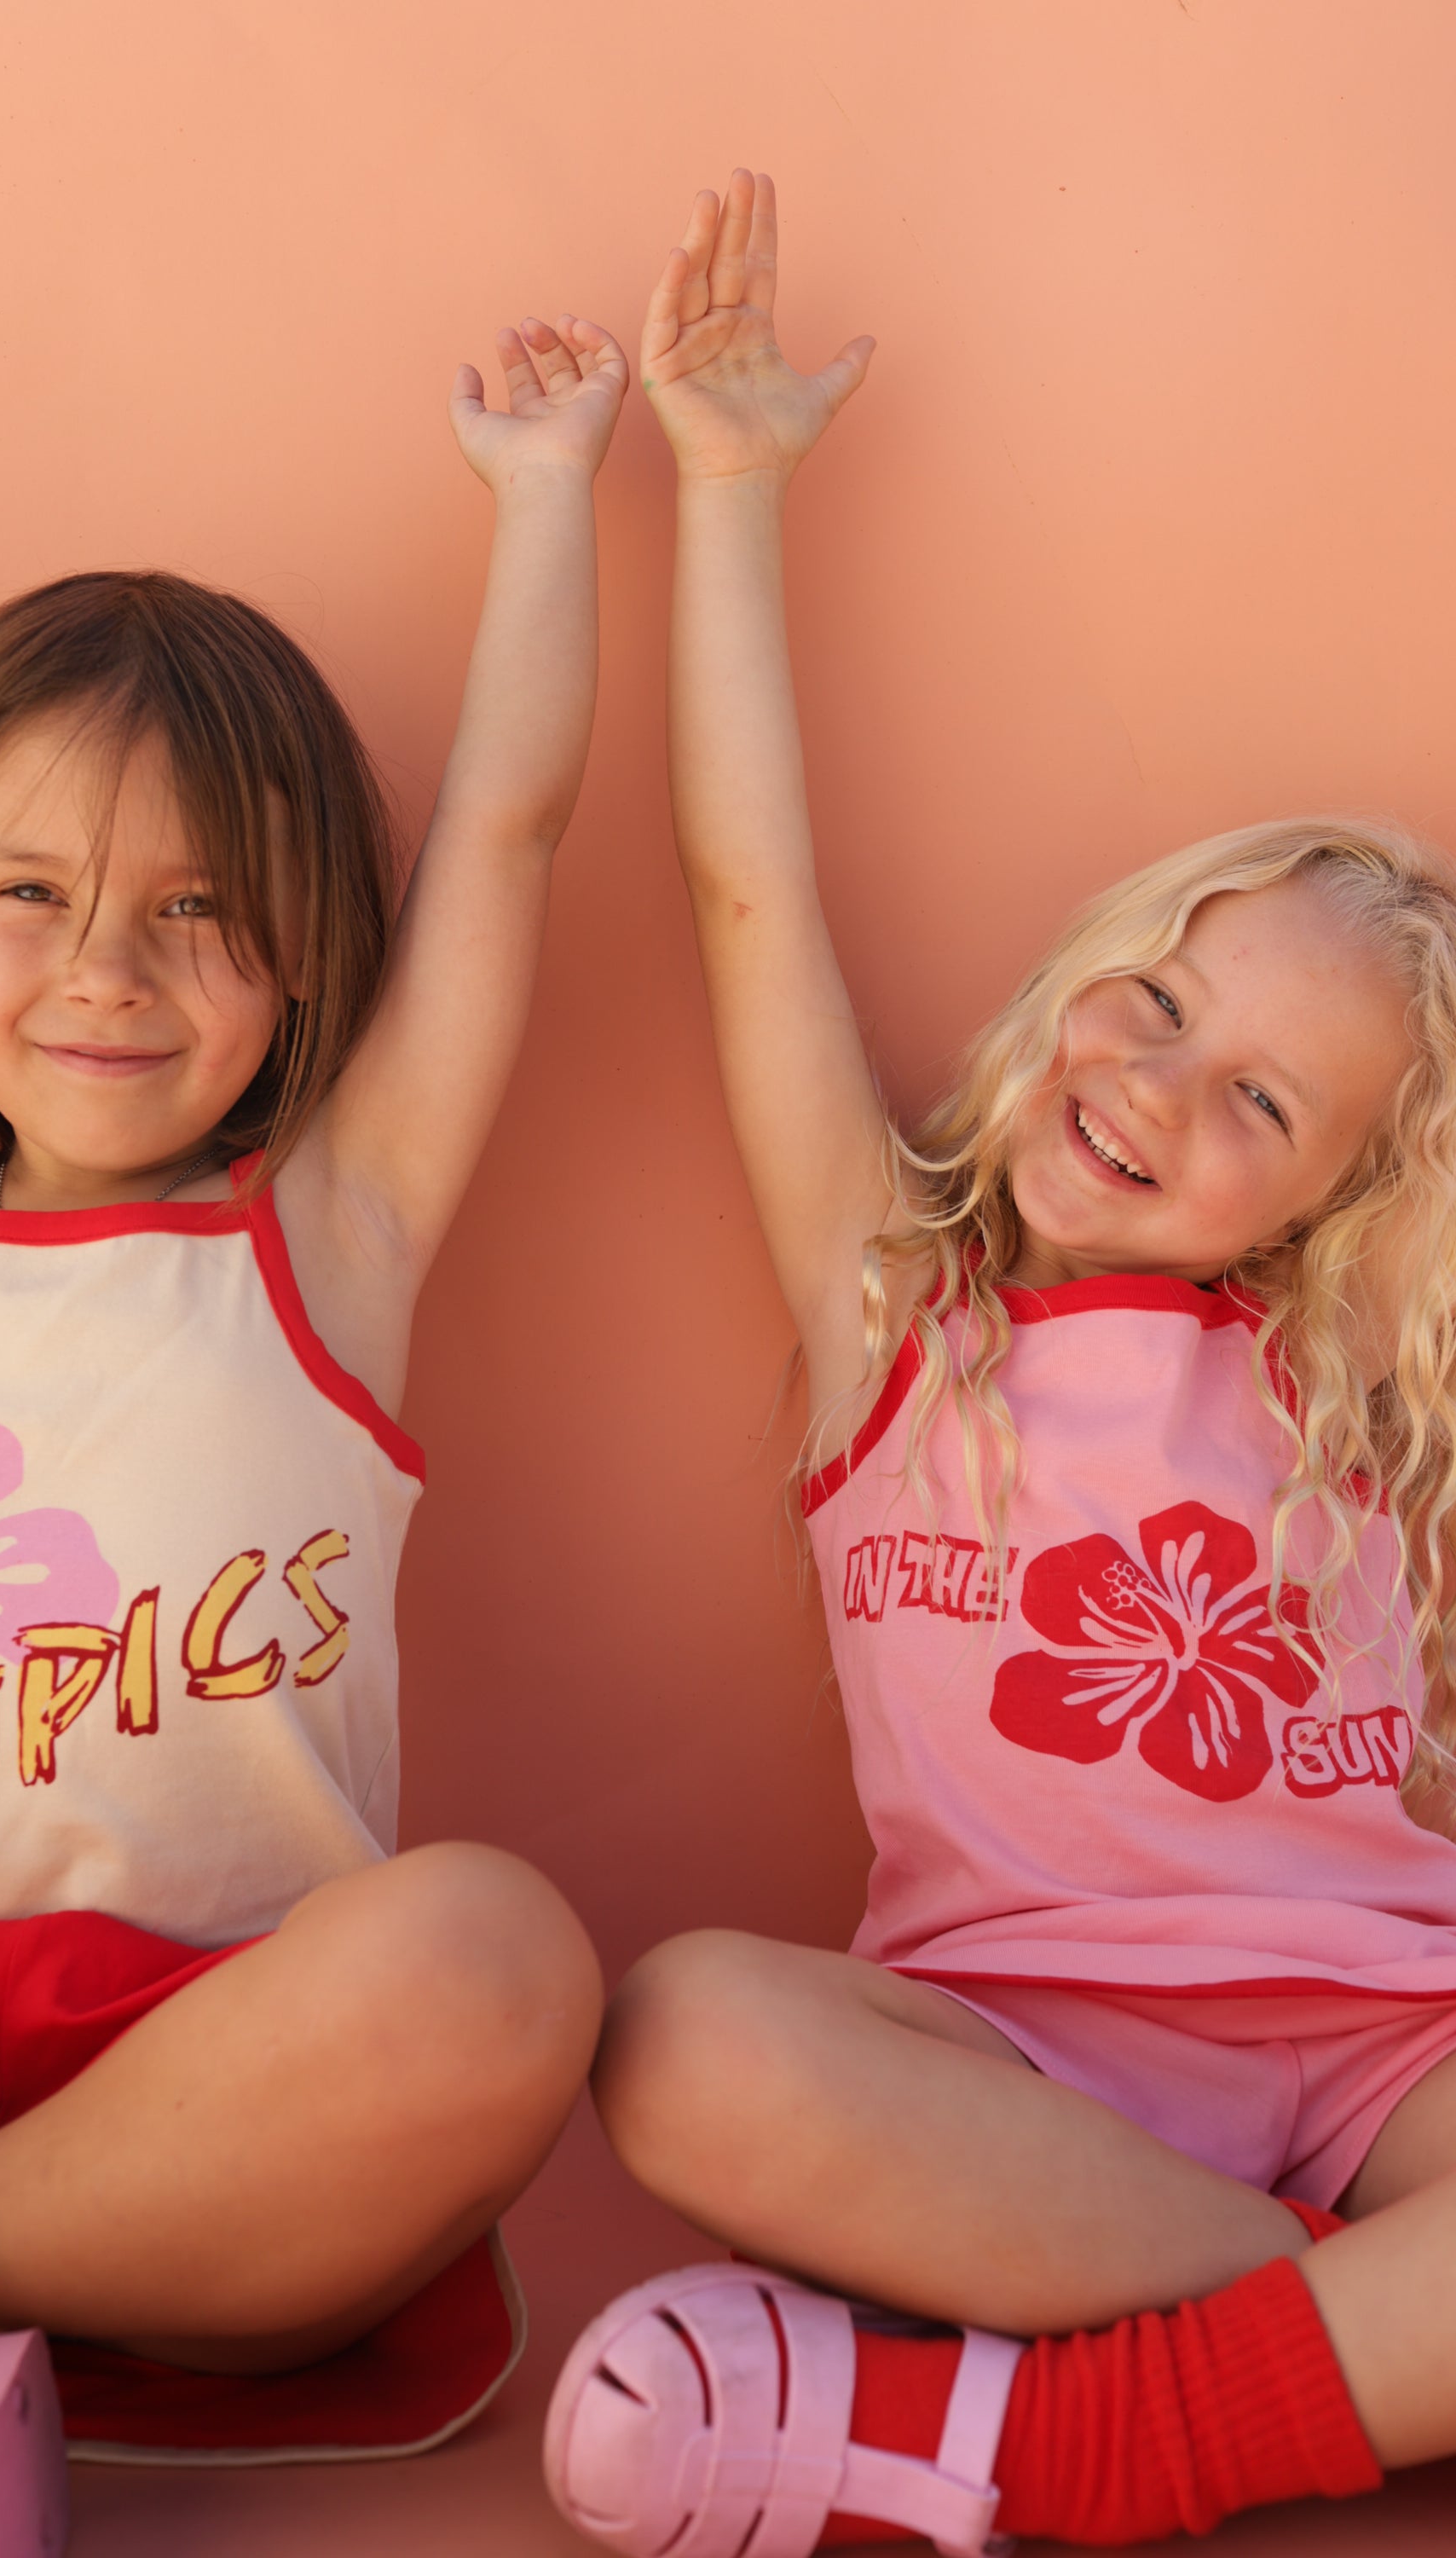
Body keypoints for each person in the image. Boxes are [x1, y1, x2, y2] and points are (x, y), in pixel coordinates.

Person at [545, 171, 1456, 2555]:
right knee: (683, 2039)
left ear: (1341, 1207)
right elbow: (754, 906)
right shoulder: (902, 1328)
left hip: (1396, 2055)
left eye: (1259, 1097)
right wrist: (731, 491)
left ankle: (1045, 2443)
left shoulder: (1368, 1400)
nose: (1154, 1085)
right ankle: (1346, 2343)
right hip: (1006, 2068)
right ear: (1077, 985)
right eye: (1153, 1003)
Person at [0, 302, 626, 2557]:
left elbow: (512, 834)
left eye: (198, 916)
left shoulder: (333, 1219)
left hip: (259, 2093)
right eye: (35, 895)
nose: (108, 973)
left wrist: (545, 498)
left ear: (308, 955)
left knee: (501, 1953)